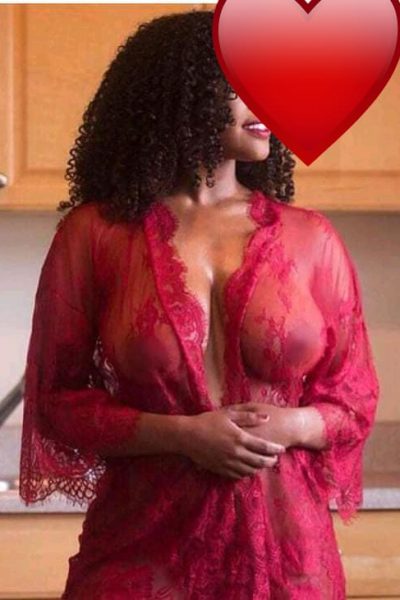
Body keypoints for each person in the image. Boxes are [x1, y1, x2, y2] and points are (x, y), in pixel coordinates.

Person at [19, 9, 380, 599]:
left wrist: (294, 423)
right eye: (244, 86)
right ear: (181, 94)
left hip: (289, 562)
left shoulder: (312, 238)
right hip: (141, 555)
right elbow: (57, 400)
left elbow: (355, 399)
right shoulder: (95, 236)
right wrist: (183, 435)